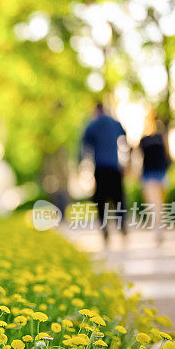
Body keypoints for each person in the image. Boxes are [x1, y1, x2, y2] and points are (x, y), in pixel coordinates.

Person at [79, 102, 130, 247]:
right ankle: (121, 225)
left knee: (101, 201)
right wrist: (126, 160)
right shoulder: (114, 123)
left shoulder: (92, 126)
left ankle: (105, 228)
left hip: (100, 168)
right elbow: (125, 140)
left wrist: (83, 168)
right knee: (118, 199)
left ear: (95, 110)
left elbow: (85, 148)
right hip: (114, 167)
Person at [137, 109, 171, 245]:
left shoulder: (144, 140)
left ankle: (158, 231)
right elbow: (167, 155)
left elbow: (138, 159)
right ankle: (159, 231)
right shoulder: (160, 137)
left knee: (154, 205)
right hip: (159, 173)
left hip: (151, 174)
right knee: (159, 205)